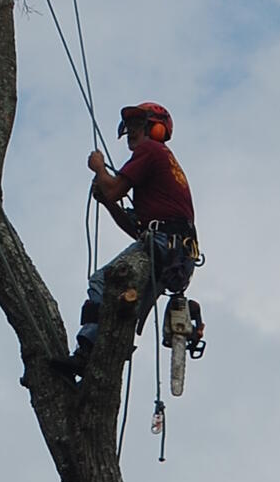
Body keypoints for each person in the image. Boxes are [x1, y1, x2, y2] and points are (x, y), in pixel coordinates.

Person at [64, 102, 201, 373]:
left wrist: (99, 169)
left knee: (102, 281)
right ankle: (105, 359)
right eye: (129, 127)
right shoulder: (163, 161)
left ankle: (85, 354)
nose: (131, 132)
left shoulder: (151, 150)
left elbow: (114, 189)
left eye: (138, 125)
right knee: (124, 306)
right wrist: (107, 203)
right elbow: (138, 228)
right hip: (175, 251)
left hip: (165, 245)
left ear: (156, 129)